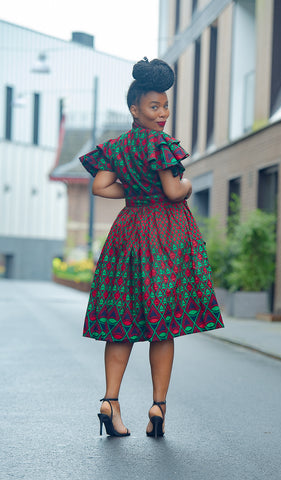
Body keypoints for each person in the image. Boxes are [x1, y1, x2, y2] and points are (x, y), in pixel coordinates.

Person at [79, 58, 224, 438]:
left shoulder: (119, 146)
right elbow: (175, 190)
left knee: (121, 322)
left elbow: (100, 187)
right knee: (163, 324)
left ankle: (109, 401)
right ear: (135, 108)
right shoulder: (162, 145)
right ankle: (158, 408)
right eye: (153, 106)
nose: (162, 113)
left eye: (164, 106)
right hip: (164, 234)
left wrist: (133, 188)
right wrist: (188, 185)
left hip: (127, 234)